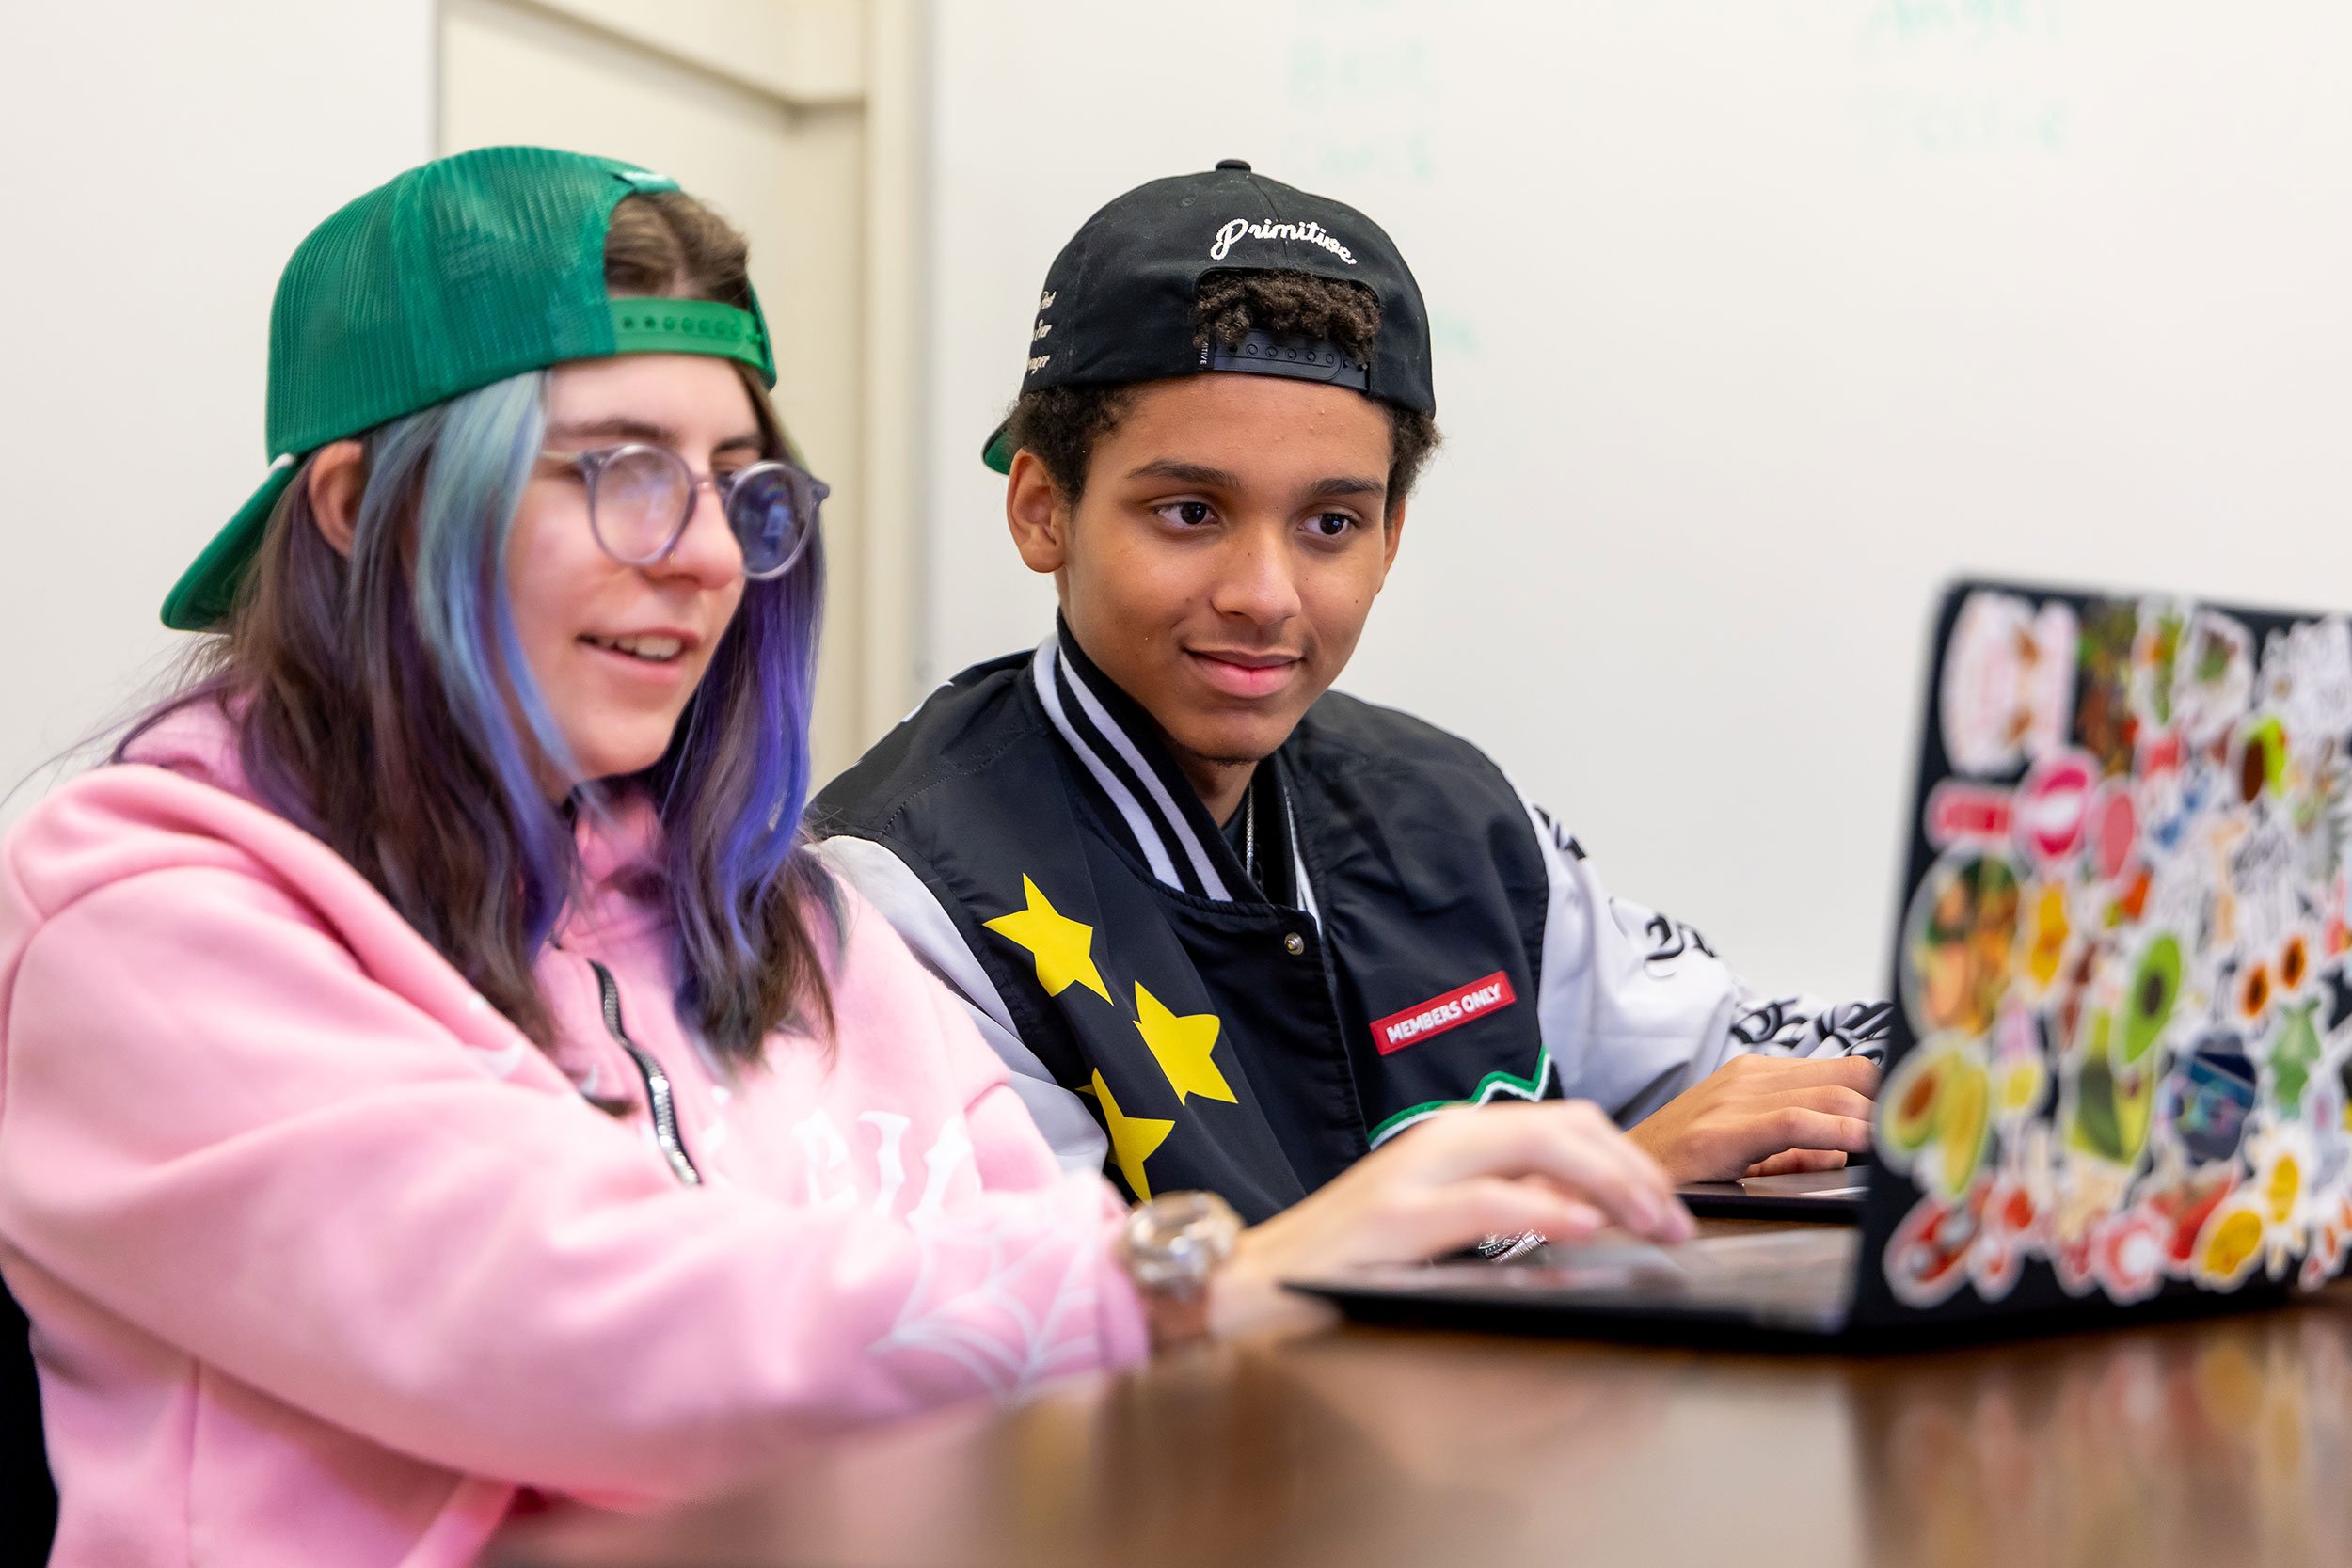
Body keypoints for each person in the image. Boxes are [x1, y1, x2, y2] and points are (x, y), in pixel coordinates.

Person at [0, 148, 1691, 1568]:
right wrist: (1217, 1275)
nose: (699, 559)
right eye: (611, 474)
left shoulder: (778, 918)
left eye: (738, 487)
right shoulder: (146, 918)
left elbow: (1023, 1294)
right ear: (364, 508)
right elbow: (601, 1335)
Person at [812, 161, 1888, 1222]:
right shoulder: (898, 897)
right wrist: (1595, 1191)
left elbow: (1748, 1058)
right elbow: (1080, 1338)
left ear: (1389, 539)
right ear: (1043, 510)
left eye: (1329, 523)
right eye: (1189, 511)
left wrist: (2011, 1033)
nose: (1264, 595)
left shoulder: (1450, 807)